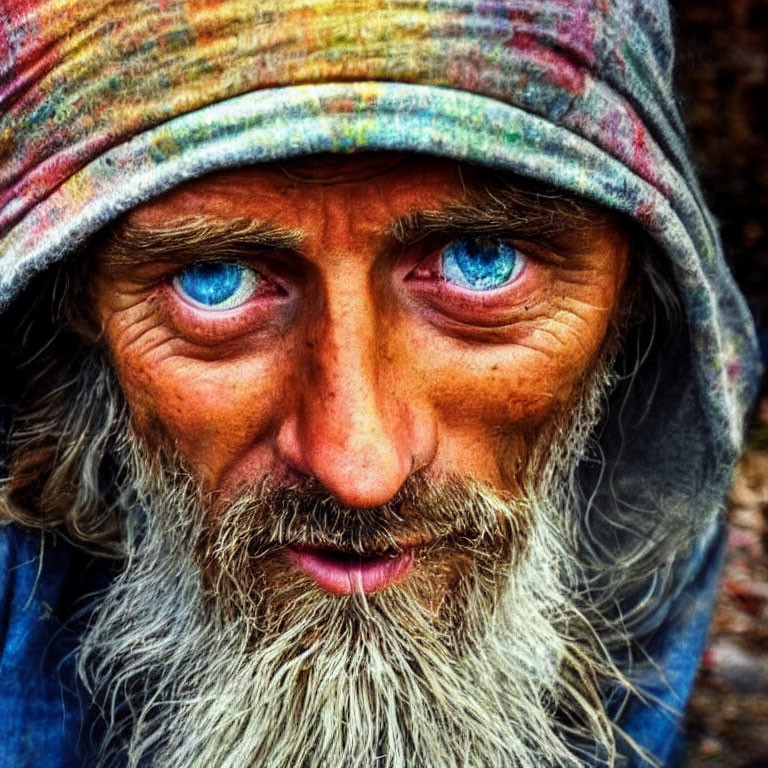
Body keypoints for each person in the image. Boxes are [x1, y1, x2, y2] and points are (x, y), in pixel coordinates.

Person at [0, 1, 760, 767]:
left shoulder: (643, 499)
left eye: (482, 261)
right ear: (72, 302)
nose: (358, 466)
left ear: (632, 290)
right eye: (213, 279)